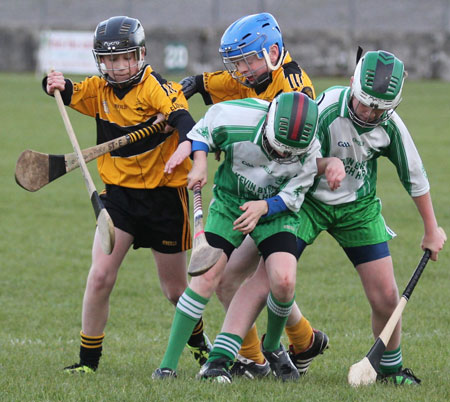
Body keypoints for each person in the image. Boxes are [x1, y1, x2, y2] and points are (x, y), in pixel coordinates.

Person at [205, 50, 446, 385]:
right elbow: (289, 156)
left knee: (386, 296)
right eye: (365, 103)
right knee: (266, 279)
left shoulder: (388, 124)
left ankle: (389, 369)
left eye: (380, 107)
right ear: (352, 85)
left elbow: (415, 175)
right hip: (305, 203)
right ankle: (222, 358)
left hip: (357, 209)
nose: (370, 112)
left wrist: (431, 228)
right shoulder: (326, 108)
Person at [162, 12, 329, 380]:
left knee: (262, 277)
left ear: (272, 52)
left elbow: (295, 153)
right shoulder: (256, 71)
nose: (241, 70)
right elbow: (209, 87)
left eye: (247, 60)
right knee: (242, 280)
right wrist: (182, 95)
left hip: (287, 190)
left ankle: (264, 353)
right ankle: (291, 345)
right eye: (236, 62)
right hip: (250, 184)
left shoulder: (296, 94)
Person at [43, 16, 211, 373]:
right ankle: (88, 363)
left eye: (126, 58)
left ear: (142, 54)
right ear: (100, 62)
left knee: (175, 292)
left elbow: (184, 120)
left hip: (166, 197)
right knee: (100, 275)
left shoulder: (157, 87)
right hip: (119, 197)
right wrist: (51, 82)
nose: (119, 67)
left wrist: (190, 154)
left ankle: (199, 345)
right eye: (110, 60)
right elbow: (67, 89)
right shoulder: (98, 91)